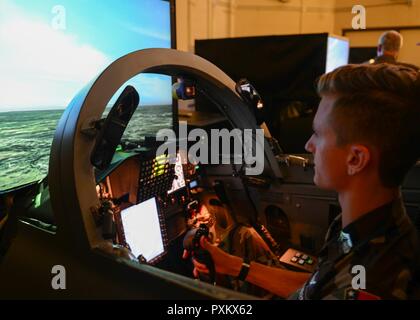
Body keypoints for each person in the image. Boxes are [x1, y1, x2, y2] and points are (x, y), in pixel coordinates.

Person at [188, 63, 420, 300]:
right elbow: (316, 287)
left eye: (318, 134)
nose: (309, 145)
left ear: (356, 159)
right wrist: (235, 266)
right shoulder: (361, 227)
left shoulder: (373, 282)